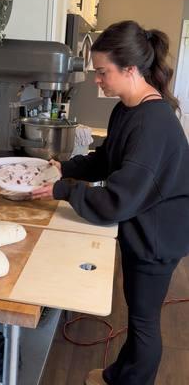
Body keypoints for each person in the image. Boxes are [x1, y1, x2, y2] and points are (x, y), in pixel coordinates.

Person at [32, 20, 189, 385]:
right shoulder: (127, 109)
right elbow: (105, 160)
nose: (97, 80)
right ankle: (119, 375)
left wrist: (65, 190)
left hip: (158, 237)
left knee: (144, 321)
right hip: (145, 223)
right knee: (138, 315)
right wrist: (64, 169)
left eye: (103, 72)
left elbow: (117, 200)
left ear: (130, 69)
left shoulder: (154, 123)